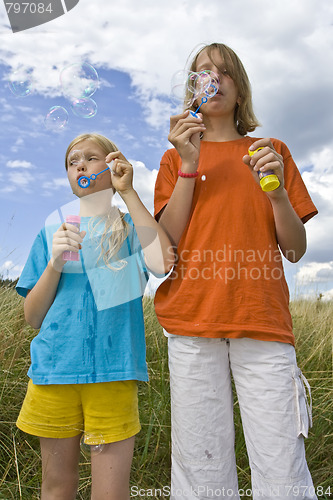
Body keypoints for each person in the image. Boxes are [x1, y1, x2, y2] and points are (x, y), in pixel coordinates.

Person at [154, 43, 318, 499]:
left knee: (282, 459)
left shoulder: (271, 151)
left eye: (224, 72)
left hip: (261, 320)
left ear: (240, 89)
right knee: (199, 465)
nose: (214, 79)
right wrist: (189, 164)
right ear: (192, 91)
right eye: (202, 72)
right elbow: (165, 244)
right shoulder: (174, 159)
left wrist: (279, 194)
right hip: (192, 319)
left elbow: (296, 248)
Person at [15, 133, 174, 500]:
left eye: (91, 157)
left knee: (111, 493)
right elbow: (33, 316)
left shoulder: (130, 228)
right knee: (56, 486)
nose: (81, 165)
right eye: (73, 161)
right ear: (69, 176)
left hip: (114, 372)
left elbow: (163, 262)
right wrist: (55, 263)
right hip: (54, 372)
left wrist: (129, 192)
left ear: (112, 165)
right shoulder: (52, 232)